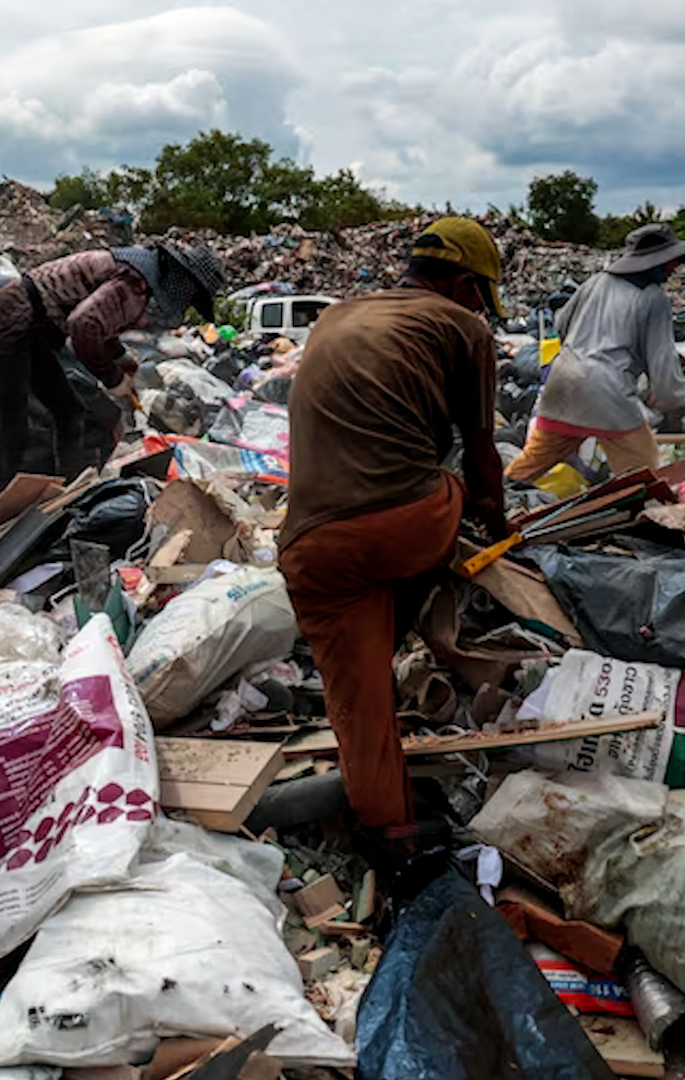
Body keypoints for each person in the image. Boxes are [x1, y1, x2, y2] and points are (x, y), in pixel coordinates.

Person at [278, 217, 511, 835]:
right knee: (456, 488)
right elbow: (483, 456)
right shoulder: (464, 327)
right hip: (409, 525)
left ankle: (393, 843)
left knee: (361, 712)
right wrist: (498, 524)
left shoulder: (334, 315)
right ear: (465, 287)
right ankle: (431, 636)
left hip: (309, 547)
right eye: (481, 295)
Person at [0, 243, 225, 488]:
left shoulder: (136, 272)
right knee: (14, 425)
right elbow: (84, 325)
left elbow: (102, 318)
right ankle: (2, 503)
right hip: (10, 322)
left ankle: (69, 489)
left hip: (36, 330)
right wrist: (112, 377)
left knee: (70, 412)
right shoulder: (133, 283)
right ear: (183, 281)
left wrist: (119, 356)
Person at [504, 224, 685, 485]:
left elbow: (561, 323)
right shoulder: (653, 297)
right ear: (656, 262)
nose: (673, 269)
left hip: (563, 382)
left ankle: (491, 501)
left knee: (531, 463)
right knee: (644, 475)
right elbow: (663, 365)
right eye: (670, 263)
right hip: (607, 392)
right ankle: (648, 518)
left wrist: (583, 349)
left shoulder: (596, 282)